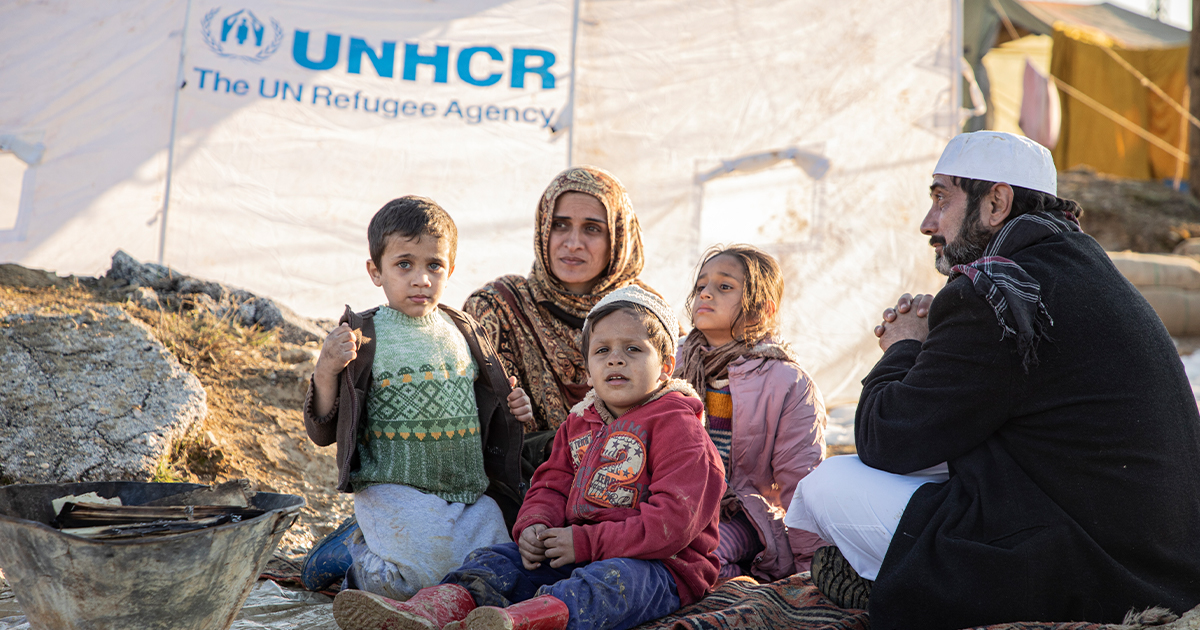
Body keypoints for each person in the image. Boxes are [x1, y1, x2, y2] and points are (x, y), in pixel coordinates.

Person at [787, 131, 1200, 629]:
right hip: (1161, 560)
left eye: (941, 197)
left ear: (996, 203)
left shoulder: (995, 293)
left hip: (1092, 568)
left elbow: (884, 439)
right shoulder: (1083, 267)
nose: (927, 223)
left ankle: (895, 581)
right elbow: (955, 417)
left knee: (828, 484)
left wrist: (903, 347)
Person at [331, 285, 725, 630]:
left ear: (666, 367)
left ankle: (518, 623)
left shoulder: (680, 428)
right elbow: (550, 484)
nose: (615, 360)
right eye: (602, 350)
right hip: (574, 548)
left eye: (633, 350)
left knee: (608, 585)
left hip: (662, 566)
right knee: (494, 561)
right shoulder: (580, 422)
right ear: (588, 367)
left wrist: (585, 543)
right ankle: (429, 612)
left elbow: (673, 522)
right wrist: (535, 526)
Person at [302, 196, 525, 601]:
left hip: (464, 488)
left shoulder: (463, 329)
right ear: (376, 271)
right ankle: (351, 556)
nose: (421, 278)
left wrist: (514, 410)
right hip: (392, 487)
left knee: (499, 563)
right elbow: (323, 425)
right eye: (404, 264)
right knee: (415, 580)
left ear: (450, 269)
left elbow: (489, 402)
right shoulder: (363, 335)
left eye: (433, 265)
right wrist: (326, 369)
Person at [464, 166, 664, 467]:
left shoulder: (647, 311)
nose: (573, 243)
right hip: (526, 488)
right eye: (560, 225)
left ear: (618, 237)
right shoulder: (497, 307)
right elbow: (487, 428)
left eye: (592, 228)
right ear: (544, 227)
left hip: (634, 484)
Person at [674, 244, 828, 580]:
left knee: (687, 556)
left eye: (724, 286)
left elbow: (801, 483)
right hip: (672, 506)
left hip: (738, 516)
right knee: (652, 550)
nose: (706, 294)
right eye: (701, 286)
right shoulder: (672, 363)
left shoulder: (786, 381)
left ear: (761, 311)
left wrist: (809, 572)